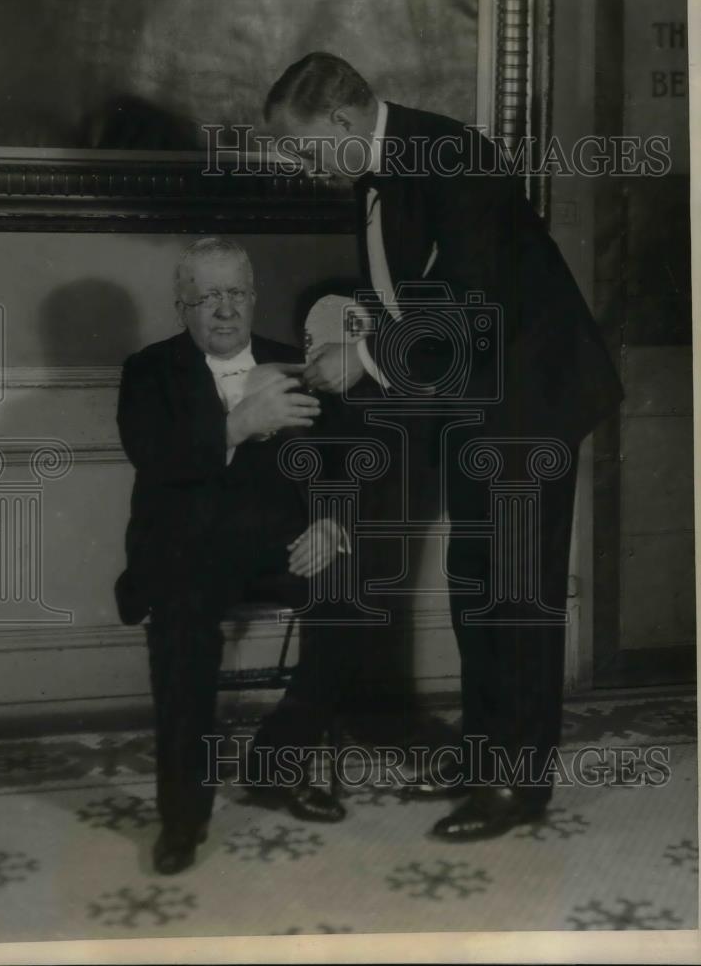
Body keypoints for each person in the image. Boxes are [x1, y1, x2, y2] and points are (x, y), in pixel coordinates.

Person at [262, 52, 624, 841]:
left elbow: (468, 308)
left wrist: (360, 359)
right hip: (476, 399)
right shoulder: (375, 173)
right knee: (476, 583)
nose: (299, 163)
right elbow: (418, 304)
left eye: (301, 146)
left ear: (343, 122)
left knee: (515, 591)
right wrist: (360, 340)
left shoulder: (449, 153)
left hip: (531, 399)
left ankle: (517, 785)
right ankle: (483, 753)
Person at [115, 236, 361, 875]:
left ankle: (274, 764)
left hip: (276, 545)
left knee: (350, 596)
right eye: (207, 297)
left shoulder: (294, 363)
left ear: (253, 300)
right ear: (182, 308)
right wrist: (236, 424)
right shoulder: (148, 371)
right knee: (182, 628)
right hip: (183, 549)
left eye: (236, 294)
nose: (224, 310)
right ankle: (182, 820)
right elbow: (156, 458)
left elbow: (342, 462)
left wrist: (332, 520)